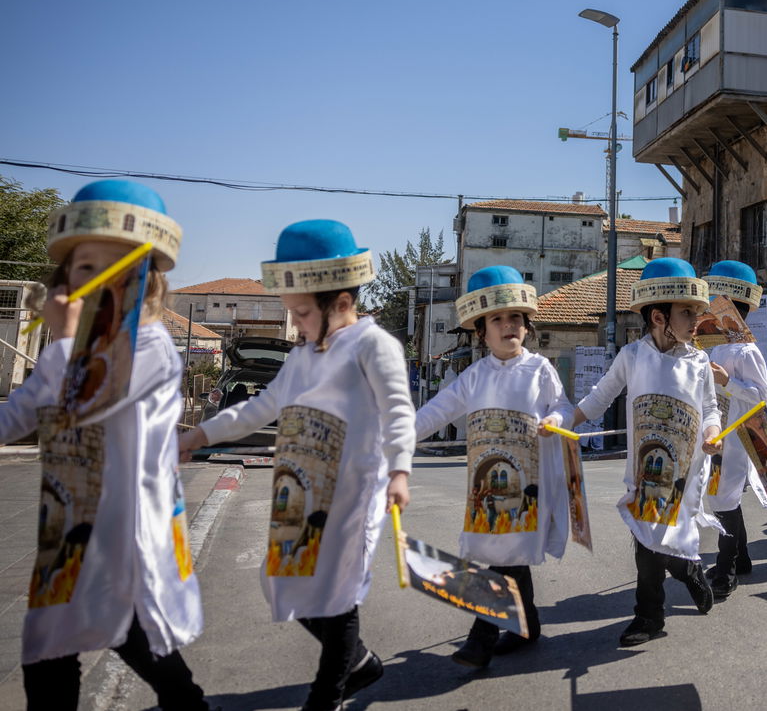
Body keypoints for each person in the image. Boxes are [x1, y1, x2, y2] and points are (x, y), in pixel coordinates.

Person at [180, 220, 414, 711]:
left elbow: (398, 413)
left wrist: (399, 472)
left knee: (336, 593)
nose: (299, 324)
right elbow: (259, 408)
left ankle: (325, 697)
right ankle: (360, 663)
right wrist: (200, 434)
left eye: (304, 313)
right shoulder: (304, 356)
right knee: (283, 580)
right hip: (299, 496)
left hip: (353, 496)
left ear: (342, 300)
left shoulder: (374, 347)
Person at [1, 181, 211, 711]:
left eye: (116, 270)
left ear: (147, 281)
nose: (96, 282)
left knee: (136, 637)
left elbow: (83, 397)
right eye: (83, 267)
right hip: (67, 524)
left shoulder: (151, 346)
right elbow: (19, 413)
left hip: (127, 532)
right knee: (47, 650)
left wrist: (68, 340)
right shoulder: (67, 350)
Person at [412, 266, 572, 668]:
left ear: (527, 325)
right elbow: (435, 411)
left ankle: (480, 638)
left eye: (515, 317)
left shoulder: (540, 369)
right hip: (487, 489)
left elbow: (563, 408)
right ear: (481, 332)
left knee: (504, 558)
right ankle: (527, 626)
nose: (508, 325)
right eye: (496, 319)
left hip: (529, 487)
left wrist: (556, 421)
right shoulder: (473, 377)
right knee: (508, 554)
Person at [571, 258, 722, 647]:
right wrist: (568, 420)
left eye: (696, 312)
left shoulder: (699, 361)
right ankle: (649, 615)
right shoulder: (632, 356)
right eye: (687, 313)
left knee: (669, 536)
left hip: (687, 470)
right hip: (645, 470)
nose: (695, 321)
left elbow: (710, 408)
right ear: (659, 316)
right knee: (646, 542)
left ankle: (687, 569)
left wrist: (712, 432)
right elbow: (602, 394)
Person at [700, 260, 767, 600]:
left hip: (739, 436)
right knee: (720, 497)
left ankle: (726, 570)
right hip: (718, 433)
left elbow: (760, 398)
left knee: (724, 499)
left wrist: (727, 381)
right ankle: (741, 558)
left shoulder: (747, 349)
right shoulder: (716, 345)